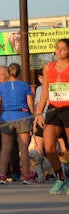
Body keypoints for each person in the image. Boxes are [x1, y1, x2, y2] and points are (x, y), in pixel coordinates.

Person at [37, 39, 69, 194]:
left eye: (63, 48)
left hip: (68, 109)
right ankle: (61, 178)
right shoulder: (48, 68)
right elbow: (44, 92)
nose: (59, 51)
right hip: (53, 109)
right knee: (49, 147)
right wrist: (39, 113)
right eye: (57, 48)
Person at [0, 62, 35, 183]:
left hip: (6, 116)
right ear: (20, 73)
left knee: (6, 148)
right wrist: (33, 117)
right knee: (23, 148)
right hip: (22, 116)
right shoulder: (24, 85)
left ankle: (3, 175)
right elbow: (30, 103)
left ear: (8, 73)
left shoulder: (1, 87)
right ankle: (27, 176)